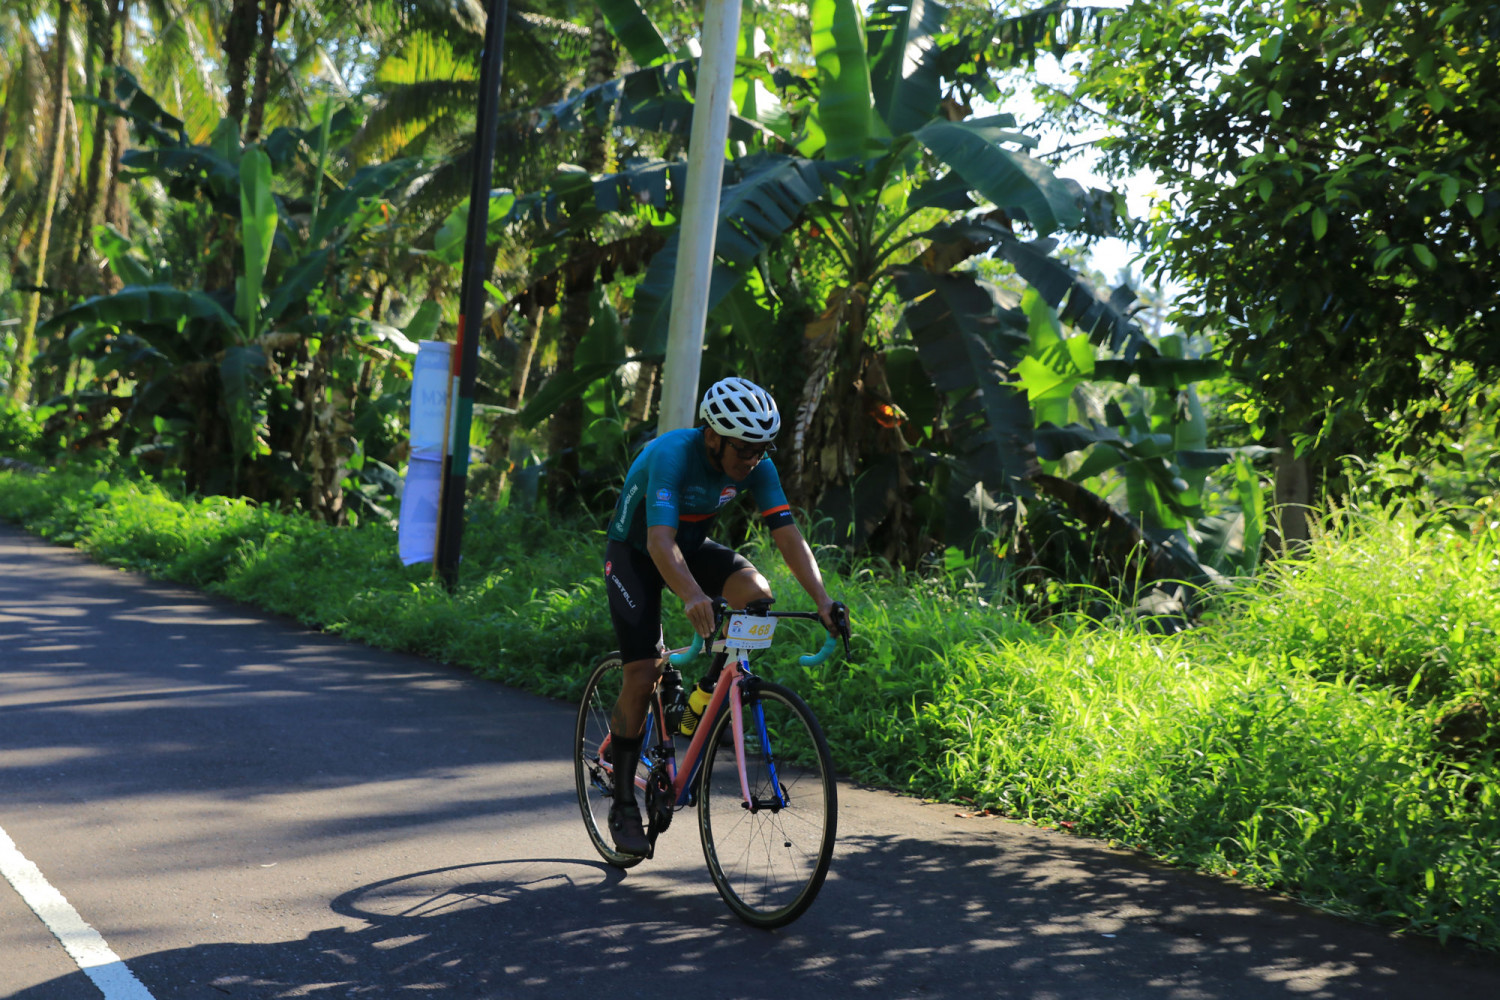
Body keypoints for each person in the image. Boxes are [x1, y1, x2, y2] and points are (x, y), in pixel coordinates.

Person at [601, 376, 843, 856]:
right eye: (743, 448)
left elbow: (787, 533)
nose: (751, 459)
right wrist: (692, 595)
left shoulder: (757, 464)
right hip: (636, 555)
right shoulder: (673, 455)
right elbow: (659, 541)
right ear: (712, 435)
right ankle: (624, 802)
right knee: (643, 672)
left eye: (761, 449)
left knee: (756, 596)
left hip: (690, 548)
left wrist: (822, 600)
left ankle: (705, 693)